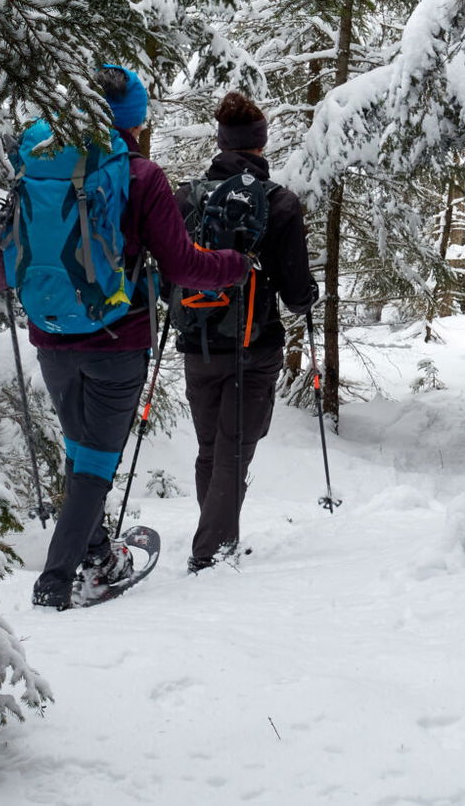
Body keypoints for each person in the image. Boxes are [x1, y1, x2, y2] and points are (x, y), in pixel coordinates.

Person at [0, 65, 249, 610]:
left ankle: (99, 556)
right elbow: (182, 265)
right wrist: (235, 265)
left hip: (51, 334)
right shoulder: (140, 175)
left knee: (81, 452)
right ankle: (55, 582)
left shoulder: (40, 165)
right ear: (133, 121)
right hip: (116, 340)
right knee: (95, 463)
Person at [174, 92, 316, 573]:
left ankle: (219, 539)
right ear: (261, 143)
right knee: (234, 450)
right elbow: (296, 292)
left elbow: (170, 270)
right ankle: (210, 551)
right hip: (255, 345)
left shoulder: (187, 197)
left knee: (212, 450)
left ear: (221, 141)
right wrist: (308, 297)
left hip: (198, 341)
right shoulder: (278, 201)